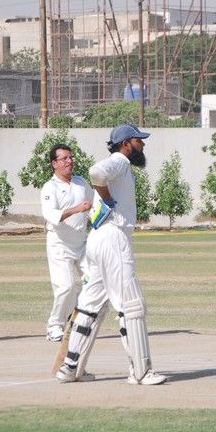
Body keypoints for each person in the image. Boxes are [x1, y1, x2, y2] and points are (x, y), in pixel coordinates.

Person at [55, 124, 167, 385]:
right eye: (138, 140)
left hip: (98, 240)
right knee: (131, 303)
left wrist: (106, 198)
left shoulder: (121, 166)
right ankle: (141, 371)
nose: (143, 144)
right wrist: (106, 199)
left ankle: (70, 368)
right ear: (126, 143)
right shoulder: (120, 161)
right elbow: (96, 172)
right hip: (114, 238)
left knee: (90, 304)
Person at [40, 144, 94, 342]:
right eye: (64, 159)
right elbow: (51, 215)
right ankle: (54, 326)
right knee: (66, 287)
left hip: (82, 243)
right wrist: (77, 209)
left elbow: (93, 206)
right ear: (54, 164)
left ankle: (78, 318)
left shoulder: (81, 182)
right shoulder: (50, 187)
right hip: (59, 245)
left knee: (94, 282)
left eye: (71, 158)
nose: (69, 161)